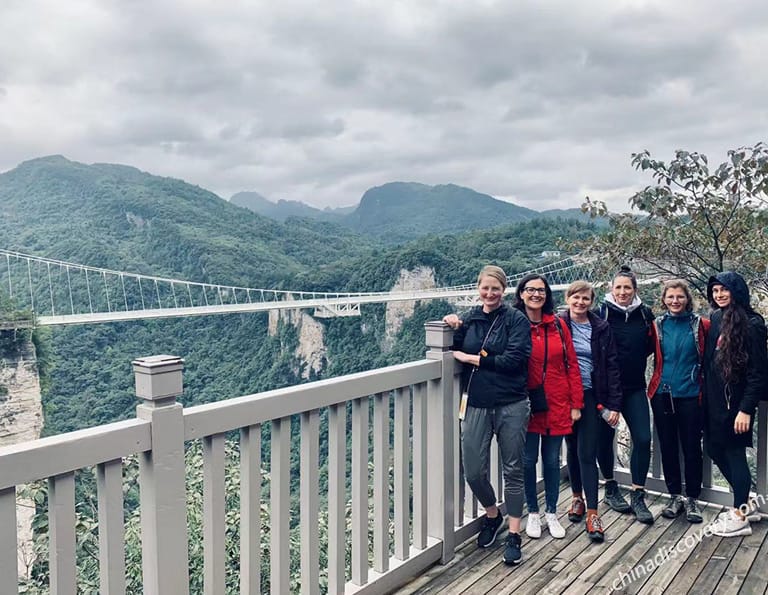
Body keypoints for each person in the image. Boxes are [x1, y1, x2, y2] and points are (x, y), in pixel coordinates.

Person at [442, 265, 532, 565]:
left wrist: (472, 359)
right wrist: (452, 323)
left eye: (496, 288)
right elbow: (453, 346)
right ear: (478, 288)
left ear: (503, 290)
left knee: (513, 469)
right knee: (473, 470)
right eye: (485, 288)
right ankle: (493, 514)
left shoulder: (516, 319)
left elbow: (514, 360)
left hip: (512, 403)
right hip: (477, 402)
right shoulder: (470, 318)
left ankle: (515, 534)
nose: (490, 293)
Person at [513, 274, 583, 541]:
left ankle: (551, 512)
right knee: (529, 461)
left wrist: (576, 403)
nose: (536, 294)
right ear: (521, 294)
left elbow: (572, 364)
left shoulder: (558, 326)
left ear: (547, 295)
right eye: (530, 290)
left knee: (553, 461)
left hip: (557, 401)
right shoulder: (513, 323)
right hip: (527, 402)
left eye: (541, 290)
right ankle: (533, 512)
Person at [703, 272, 768, 537]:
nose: (719, 294)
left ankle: (740, 515)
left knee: (734, 454)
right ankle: (745, 502)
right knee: (713, 449)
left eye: (724, 290)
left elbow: (758, 373)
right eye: (715, 290)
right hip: (715, 402)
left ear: (736, 291)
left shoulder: (752, 324)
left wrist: (745, 409)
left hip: (735, 404)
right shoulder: (717, 318)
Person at [561, 280, 622, 543]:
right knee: (572, 447)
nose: (580, 302)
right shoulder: (558, 324)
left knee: (587, 451)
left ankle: (593, 513)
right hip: (563, 396)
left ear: (592, 301)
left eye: (585, 298)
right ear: (568, 298)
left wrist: (614, 404)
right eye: (576, 297)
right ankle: (577, 498)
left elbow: (612, 366)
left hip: (590, 395)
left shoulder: (600, 327)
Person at [598, 265, 656, 524]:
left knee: (643, 439)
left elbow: (650, 347)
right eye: (618, 287)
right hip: (607, 389)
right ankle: (610, 487)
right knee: (604, 437)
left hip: (634, 387)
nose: (622, 292)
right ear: (611, 289)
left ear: (635, 290)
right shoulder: (599, 313)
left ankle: (637, 494)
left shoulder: (645, 315)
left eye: (627, 288)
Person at [648, 279, 709, 524]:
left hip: (692, 394)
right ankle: (674, 496)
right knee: (668, 447)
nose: (675, 301)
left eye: (680, 297)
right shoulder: (656, 326)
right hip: (662, 393)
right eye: (670, 297)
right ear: (664, 299)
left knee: (692, 447)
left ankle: (692, 498)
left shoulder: (702, 325)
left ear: (687, 299)